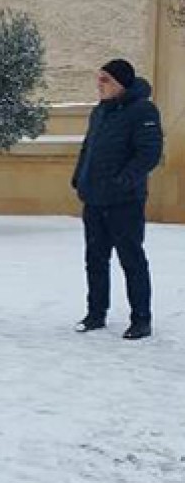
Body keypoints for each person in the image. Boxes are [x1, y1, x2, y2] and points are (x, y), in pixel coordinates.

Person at [71, 58, 162, 340]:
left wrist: (123, 182)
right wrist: (79, 177)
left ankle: (141, 320)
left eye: (105, 80)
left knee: (131, 260)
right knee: (95, 259)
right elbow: (89, 147)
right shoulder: (100, 112)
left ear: (121, 83)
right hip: (95, 198)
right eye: (98, 79)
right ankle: (96, 314)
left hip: (125, 202)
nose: (99, 84)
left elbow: (149, 154)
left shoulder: (142, 111)